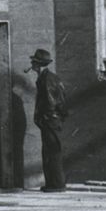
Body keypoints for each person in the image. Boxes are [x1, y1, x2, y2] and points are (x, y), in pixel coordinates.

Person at [28, 48, 68, 192]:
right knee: (51, 151)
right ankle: (53, 183)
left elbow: (50, 102)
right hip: (53, 120)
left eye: (33, 62)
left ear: (38, 64)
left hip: (50, 120)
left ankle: (57, 184)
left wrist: (46, 118)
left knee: (52, 152)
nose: (31, 65)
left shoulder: (46, 80)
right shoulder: (51, 77)